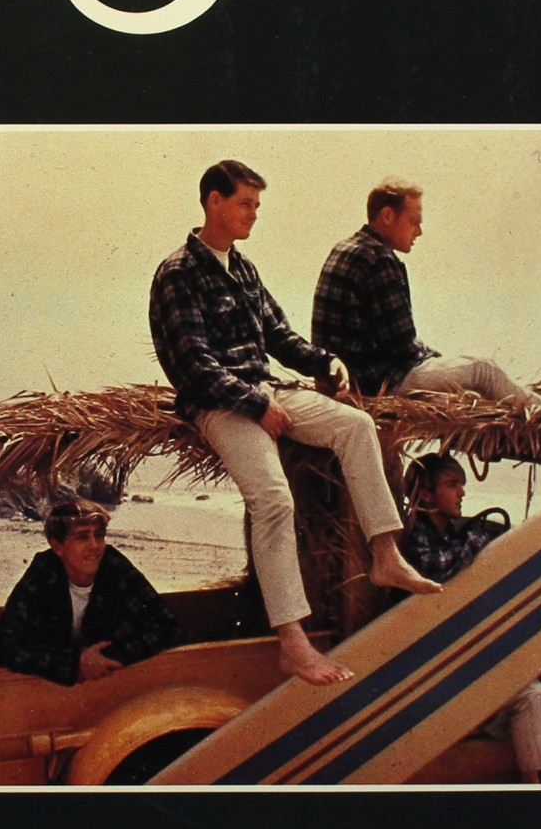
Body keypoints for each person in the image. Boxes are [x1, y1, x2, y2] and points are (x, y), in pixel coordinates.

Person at [149, 159, 440, 687]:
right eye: (245, 204)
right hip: (217, 404)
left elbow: (280, 337)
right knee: (273, 499)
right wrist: (254, 406)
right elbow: (191, 364)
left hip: (266, 389)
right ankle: (292, 641)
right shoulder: (178, 272)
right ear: (214, 201)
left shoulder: (244, 269)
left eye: (257, 205)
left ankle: (385, 553)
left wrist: (326, 362)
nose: (253, 215)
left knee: (355, 426)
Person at [403, 453, 541, 784]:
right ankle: (534, 788)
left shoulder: (450, 535)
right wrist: (479, 540)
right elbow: (435, 569)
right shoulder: (416, 536)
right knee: (529, 695)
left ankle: (535, 787)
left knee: (532, 691)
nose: (462, 492)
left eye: (462, 484)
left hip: (458, 663)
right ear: (426, 495)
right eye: (452, 484)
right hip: (433, 675)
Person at [311, 179, 539, 404]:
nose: (419, 232)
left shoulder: (345, 248)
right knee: (483, 370)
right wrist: (437, 358)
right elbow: (403, 346)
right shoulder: (378, 259)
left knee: (464, 375)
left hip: (345, 378)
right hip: (377, 382)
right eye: (414, 222)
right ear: (388, 216)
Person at [0, 498, 181, 687]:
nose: (94, 545)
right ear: (57, 546)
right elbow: (2, 646)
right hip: (48, 687)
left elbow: (166, 626)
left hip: (105, 683)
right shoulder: (43, 572)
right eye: (82, 537)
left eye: (99, 535)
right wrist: (73, 664)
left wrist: (105, 658)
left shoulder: (114, 566)